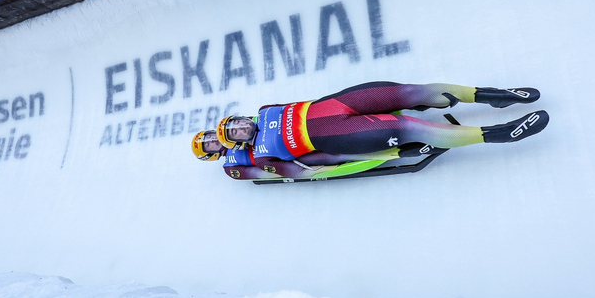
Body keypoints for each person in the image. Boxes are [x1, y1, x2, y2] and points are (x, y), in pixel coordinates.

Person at [215, 82, 548, 165]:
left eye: (235, 123)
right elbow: (307, 167)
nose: (240, 129)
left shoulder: (266, 110)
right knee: (409, 128)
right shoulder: (260, 155)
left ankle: (493, 94)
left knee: (411, 91)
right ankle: (497, 134)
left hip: (336, 103)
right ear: (239, 143)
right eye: (234, 134)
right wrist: (369, 159)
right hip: (336, 136)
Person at [191, 126, 442, 180]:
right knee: (331, 154)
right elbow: (262, 173)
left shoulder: (235, 131)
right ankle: (399, 152)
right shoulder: (232, 166)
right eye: (211, 145)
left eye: (212, 138)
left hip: (294, 141)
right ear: (212, 155)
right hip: (289, 160)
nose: (215, 141)